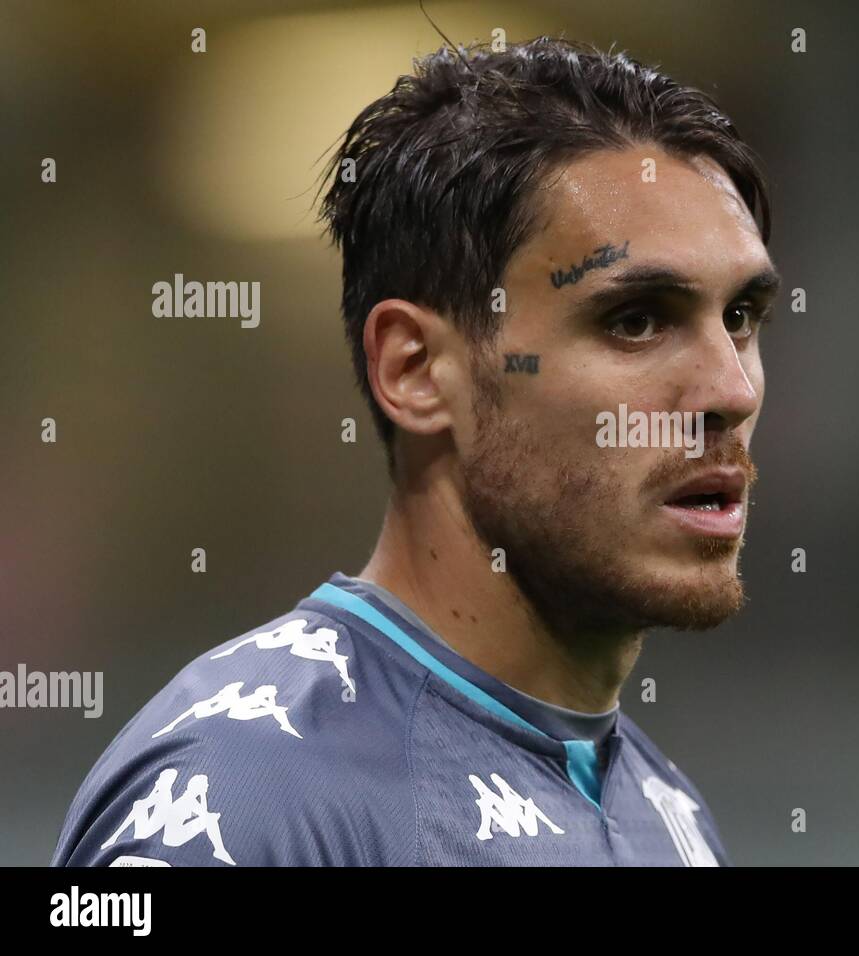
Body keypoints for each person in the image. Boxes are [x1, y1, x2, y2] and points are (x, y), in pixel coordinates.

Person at [52, 34, 779, 866]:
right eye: (636, 320)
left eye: (741, 319)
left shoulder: (671, 819)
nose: (732, 390)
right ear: (417, 371)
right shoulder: (241, 797)